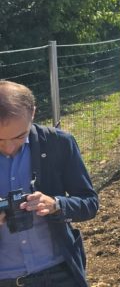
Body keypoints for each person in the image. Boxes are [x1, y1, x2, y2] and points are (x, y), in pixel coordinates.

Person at [0, 81, 99, 287]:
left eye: (19, 136)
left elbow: (89, 203)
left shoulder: (59, 143)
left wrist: (56, 205)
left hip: (59, 273)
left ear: (33, 113)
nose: (8, 147)